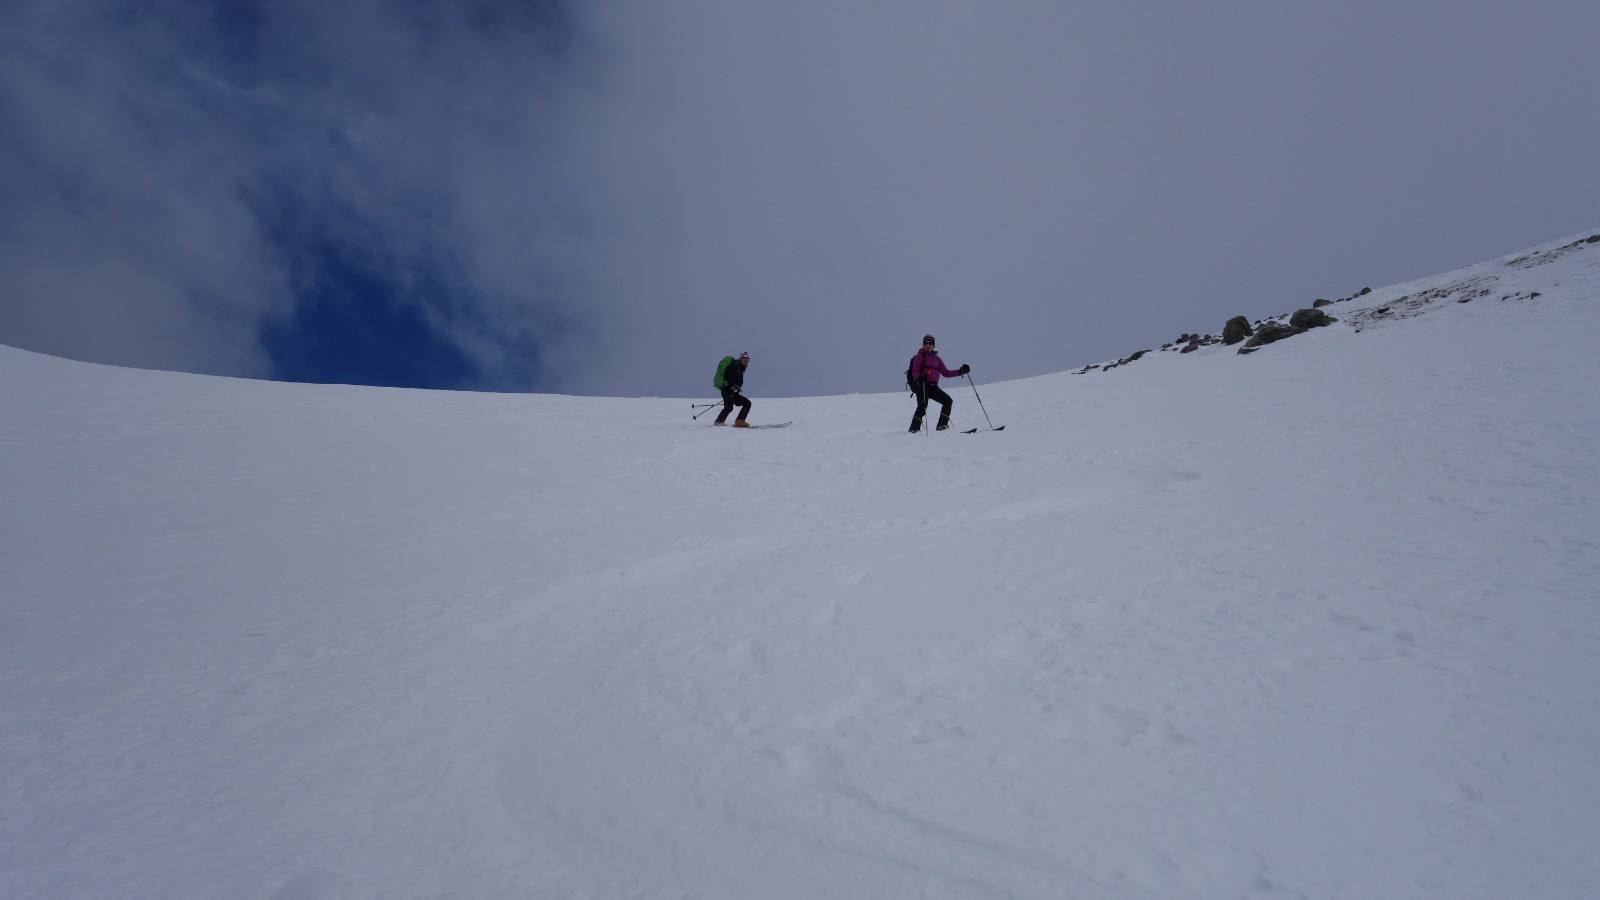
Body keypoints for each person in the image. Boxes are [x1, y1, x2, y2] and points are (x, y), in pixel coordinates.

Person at [907, 334, 969, 432]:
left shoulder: (937, 359)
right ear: (923, 345)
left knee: (947, 401)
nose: (928, 345)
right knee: (923, 405)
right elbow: (915, 371)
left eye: (930, 343)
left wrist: (960, 371)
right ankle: (914, 428)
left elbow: (946, 373)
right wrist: (919, 378)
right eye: (925, 343)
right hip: (922, 385)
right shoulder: (919, 356)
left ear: (933, 345)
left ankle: (942, 425)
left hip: (933, 387)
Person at [713, 351, 753, 427]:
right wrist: (732, 387)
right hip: (728, 390)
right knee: (731, 407)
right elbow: (729, 377)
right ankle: (721, 422)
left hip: (733, 392)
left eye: (747, 361)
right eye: (744, 360)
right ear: (740, 359)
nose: (746, 362)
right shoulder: (734, 366)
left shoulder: (740, 371)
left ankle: (737, 421)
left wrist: (736, 391)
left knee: (744, 404)